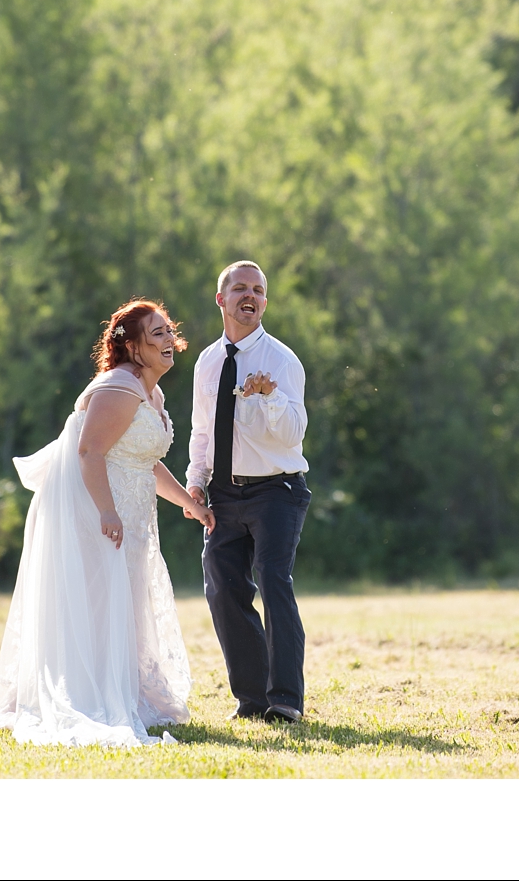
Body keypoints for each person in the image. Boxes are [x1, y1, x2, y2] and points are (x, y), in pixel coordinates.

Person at [0, 298, 214, 746]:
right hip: (95, 510)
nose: (169, 340)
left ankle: (122, 691)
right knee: (96, 601)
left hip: (131, 512)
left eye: (169, 330)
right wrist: (107, 512)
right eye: (157, 334)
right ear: (132, 346)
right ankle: (85, 695)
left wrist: (186, 502)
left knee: (123, 601)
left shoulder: (150, 391)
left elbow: (143, 460)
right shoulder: (118, 387)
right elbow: (90, 452)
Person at [185, 260, 311, 723]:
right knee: (223, 590)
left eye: (258, 290)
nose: (250, 296)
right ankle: (252, 700)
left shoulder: (281, 360)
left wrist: (271, 397)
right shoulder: (207, 361)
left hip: (276, 490)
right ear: (221, 299)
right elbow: (202, 431)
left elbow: (294, 433)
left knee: (275, 583)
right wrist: (196, 483)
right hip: (221, 494)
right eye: (240, 288)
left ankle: (285, 701)